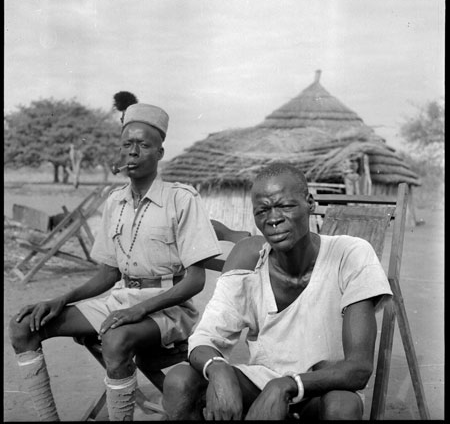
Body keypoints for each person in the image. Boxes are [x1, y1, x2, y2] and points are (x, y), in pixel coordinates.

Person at [8, 103, 222, 421]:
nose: (132, 152)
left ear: (160, 153)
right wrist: (60, 299)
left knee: (116, 339)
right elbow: (109, 273)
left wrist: (138, 310)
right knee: (23, 326)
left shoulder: (181, 199)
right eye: (126, 144)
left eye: (143, 145)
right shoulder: (115, 200)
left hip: (169, 309)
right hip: (120, 300)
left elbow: (195, 281)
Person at [162, 161, 393, 420]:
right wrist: (217, 368)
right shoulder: (249, 260)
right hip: (262, 382)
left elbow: (358, 369)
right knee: (181, 380)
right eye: (262, 210)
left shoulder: (349, 254)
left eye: (285, 206)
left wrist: (285, 384)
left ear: (310, 203)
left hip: (322, 388)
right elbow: (203, 338)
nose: (273, 219)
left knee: (343, 406)